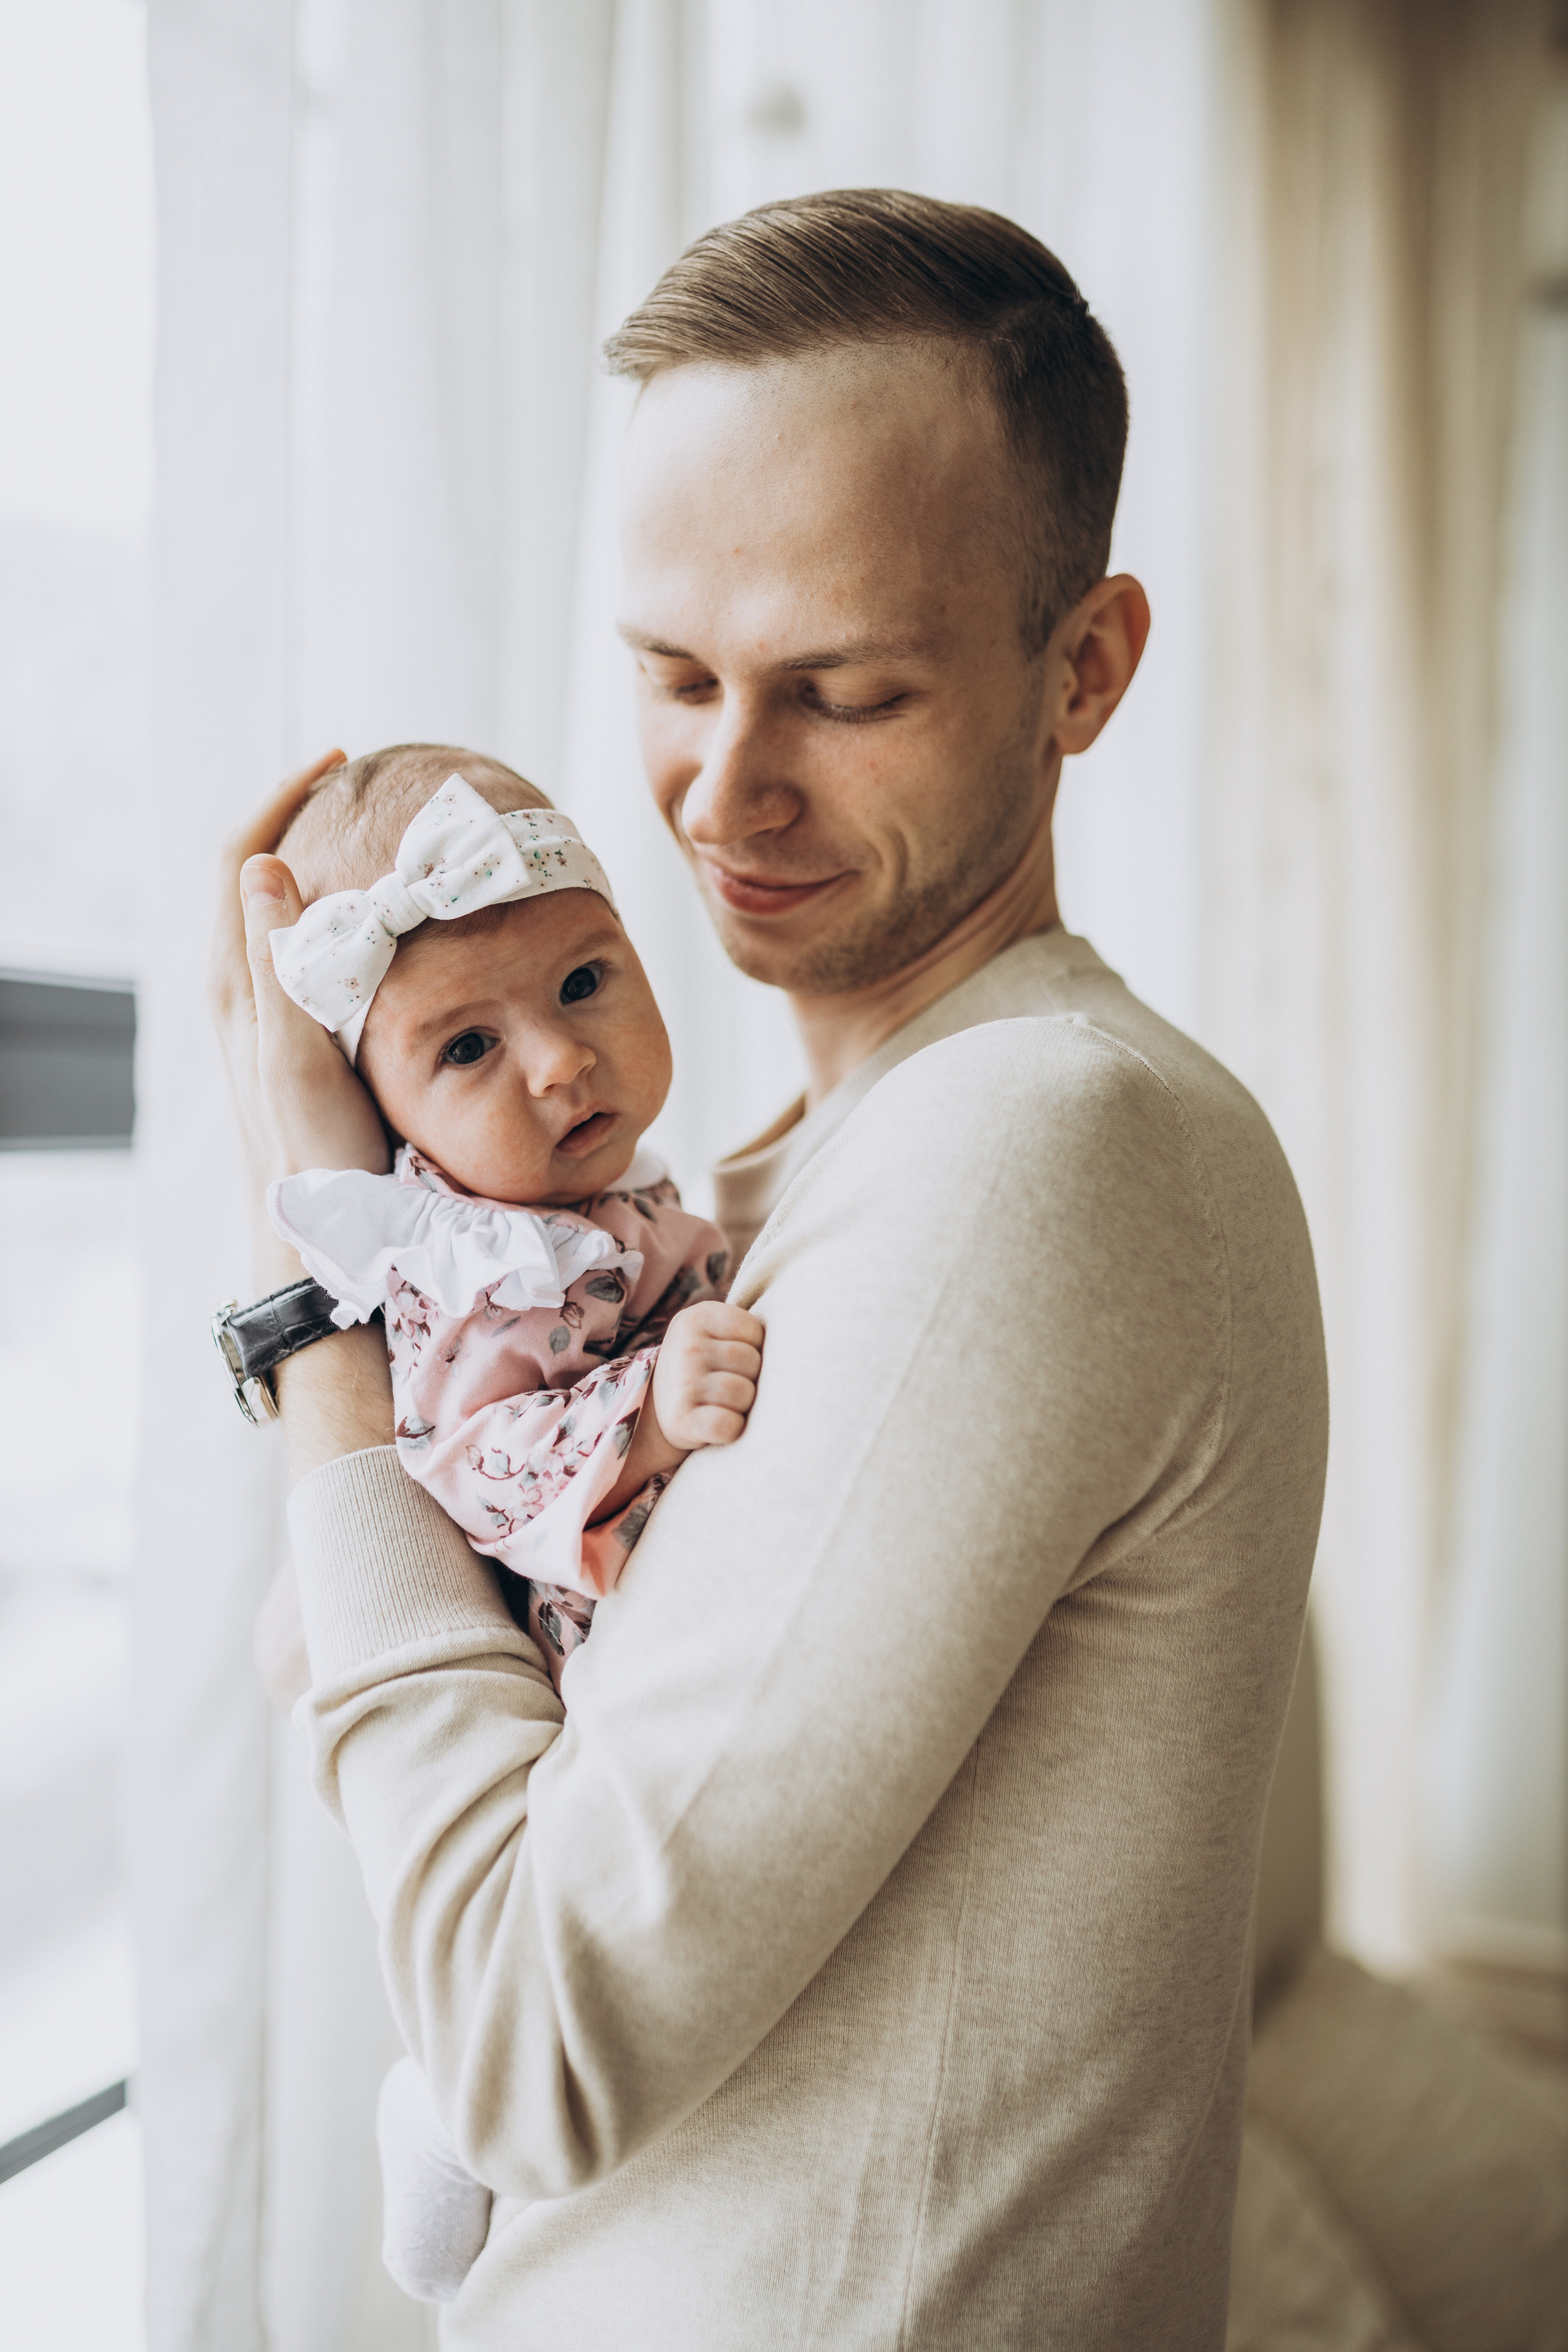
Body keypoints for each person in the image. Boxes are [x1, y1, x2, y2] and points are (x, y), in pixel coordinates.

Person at [212, 190, 1329, 2348]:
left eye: (843, 689)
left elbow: (534, 2047)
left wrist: (313, 1303)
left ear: (1080, 667)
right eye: (673, 674)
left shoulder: (1035, 1150)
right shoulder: (786, 1182)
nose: (727, 789)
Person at [258, 741, 763, 2301]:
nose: (558, 1064)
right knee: (566, 1900)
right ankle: (445, 2108)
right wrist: (653, 1414)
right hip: (535, 1666)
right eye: (466, 1048)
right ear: (389, 1120)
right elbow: (482, 1463)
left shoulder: (586, 1204)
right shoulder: (481, 1266)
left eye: (586, 981)